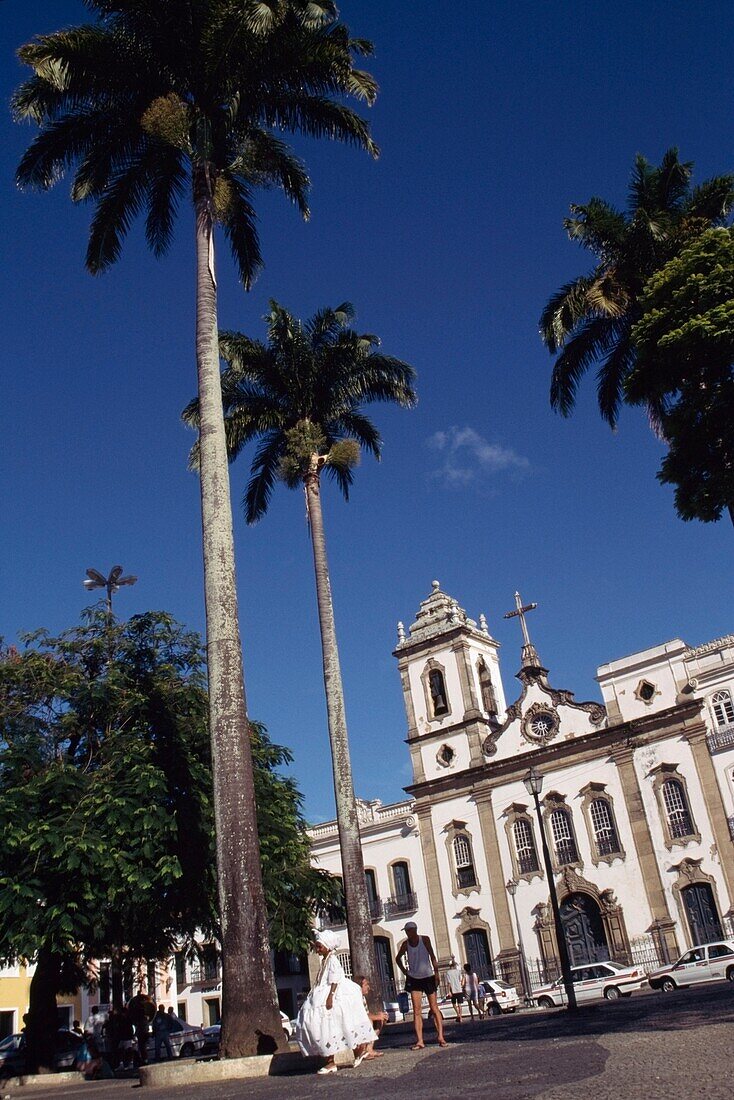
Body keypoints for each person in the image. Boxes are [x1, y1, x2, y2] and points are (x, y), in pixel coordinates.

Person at [295, 930, 374, 1074]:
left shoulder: (333, 959)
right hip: (324, 993)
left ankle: (337, 1060)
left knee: (333, 1025)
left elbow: (335, 978)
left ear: (328, 946)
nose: (317, 950)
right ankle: (349, 1055)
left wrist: (330, 996)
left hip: (334, 995)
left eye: (319, 946)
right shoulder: (326, 959)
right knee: (335, 1026)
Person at [395, 922, 447, 1050]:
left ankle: (440, 1036)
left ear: (414, 930)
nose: (407, 933)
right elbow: (398, 958)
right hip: (414, 978)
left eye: (409, 931)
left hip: (428, 976)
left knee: (434, 1008)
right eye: (406, 931)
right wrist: (404, 971)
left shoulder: (425, 940)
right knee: (417, 1011)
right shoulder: (405, 944)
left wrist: (436, 973)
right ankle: (420, 1041)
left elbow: (432, 956)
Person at [353, 975, 389, 1059]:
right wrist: (377, 1016)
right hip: (355, 1025)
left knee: (379, 1020)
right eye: (366, 985)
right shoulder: (355, 998)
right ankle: (362, 1051)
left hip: (361, 1020)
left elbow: (367, 1013)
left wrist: (380, 1016)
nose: (368, 987)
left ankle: (369, 1049)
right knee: (370, 1020)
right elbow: (362, 1015)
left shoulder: (363, 998)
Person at [127, 989, 156, 1065]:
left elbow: (141, 1027)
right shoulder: (144, 1019)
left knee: (142, 1047)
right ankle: (143, 1060)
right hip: (143, 1033)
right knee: (142, 1047)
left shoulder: (142, 1020)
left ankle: (144, 1060)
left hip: (142, 1034)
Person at [445, 958, 465, 1023]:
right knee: (459, 1004)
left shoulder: (448, 972)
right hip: (459, 989)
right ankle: (461, 1017)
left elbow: (449, 983)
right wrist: (461, 985)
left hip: (453, 990)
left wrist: (449, 991)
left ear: (450, 966)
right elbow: (461, 980)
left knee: (454, 1004)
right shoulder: (458, 971)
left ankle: (458, 1015)